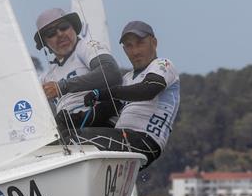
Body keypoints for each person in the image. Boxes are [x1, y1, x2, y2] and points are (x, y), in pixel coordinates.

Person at [76, 21, 180, 169]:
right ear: (124, 49)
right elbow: (105, 111)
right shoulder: (127, 79)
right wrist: (69, 119)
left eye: (140, 43)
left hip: (144, 141)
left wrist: (104, 93)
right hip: (125, 141)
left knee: (76, 140)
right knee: (67, 136)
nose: (135, 51)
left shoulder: (163, 65)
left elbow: (148, 90)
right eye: (129, 46)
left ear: (154, 43)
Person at [34, 8, 121, 133]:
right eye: (51, 33)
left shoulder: (86, 47)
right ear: (45, 44)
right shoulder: (46, 77)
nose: (59, 34)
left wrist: (61, 87)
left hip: (103, 123)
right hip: (72, 130)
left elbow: (111, 72)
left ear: (74, 28)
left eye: (63, 27)